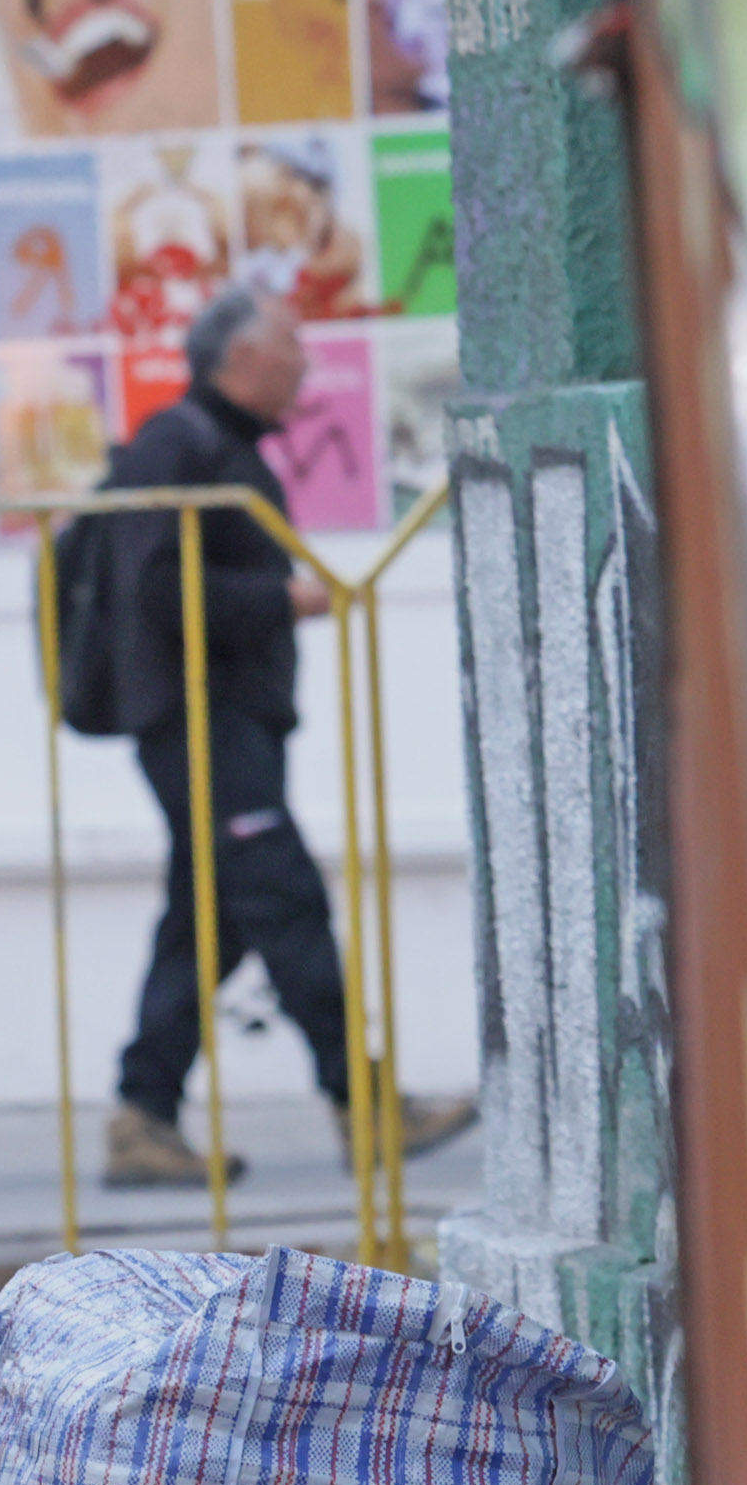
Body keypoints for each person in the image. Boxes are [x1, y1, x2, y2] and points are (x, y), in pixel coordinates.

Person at [94, 284, 471, 1186]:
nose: (305, 359)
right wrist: (281, 599)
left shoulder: (221, 447)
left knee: (209, 922)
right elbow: (151, 590)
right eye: (289, 344)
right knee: (286, 901)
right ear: (237, 359)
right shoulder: (177, 444)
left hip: (227, 722)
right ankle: (365, 1108)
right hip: (197, 723)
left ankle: (141, 1117)